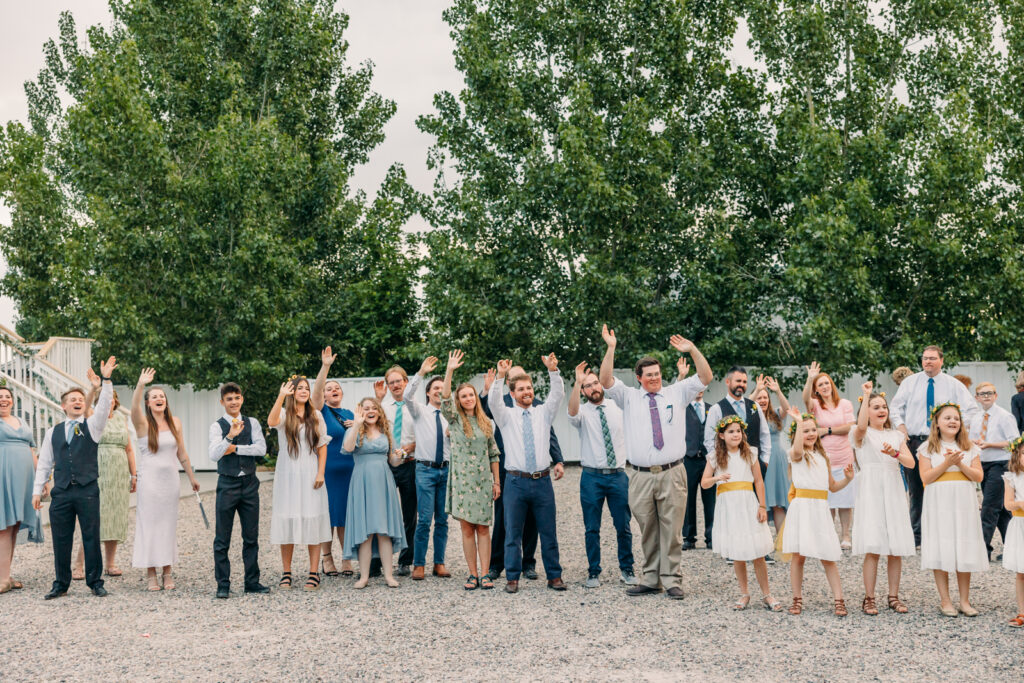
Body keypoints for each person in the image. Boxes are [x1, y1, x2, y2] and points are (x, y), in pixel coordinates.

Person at [599, 325, 713, 600]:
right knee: (647, 528)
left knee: (672, 529)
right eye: (649, 375)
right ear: (639, 378)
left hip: (672, 472)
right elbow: (604, 381)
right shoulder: (629, 396)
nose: (654, 379)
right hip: (639, 476)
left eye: (657, 374)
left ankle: (672, 579)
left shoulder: (677, 392)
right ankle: (650, 579)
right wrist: (611, 347)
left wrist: (692, 349)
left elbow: (706, 376)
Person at [32, 356, 117, 599]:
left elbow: (103, 407)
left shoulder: (93, 425)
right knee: (61, 539)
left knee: (91, 536)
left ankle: (95, 581)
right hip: (61, 492)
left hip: (87, 489)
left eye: (80, 399)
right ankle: (61, 583)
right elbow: (45, 463)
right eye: (72, 400)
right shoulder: (53, 432)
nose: (77, 402)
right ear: (64, 406)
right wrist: (37, 491)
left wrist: (106, 381)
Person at [487, 354, 566, 593]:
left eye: (529, 388)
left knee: (548, 531)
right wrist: (500, 377)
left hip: (542, 481)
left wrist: (554, 371)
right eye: (521, 389)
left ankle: (554, 576)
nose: (526, 392)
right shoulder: (506, 417)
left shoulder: (543, 413)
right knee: (512, 531)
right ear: (512, 393)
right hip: (515, 481)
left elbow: (557, 396)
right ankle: (512, 577)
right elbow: (493, 403)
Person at [889, 345, 980, 546]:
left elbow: (972, 409)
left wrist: (954, 429)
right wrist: (901, 428)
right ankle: (918, 535)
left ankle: (942, 531)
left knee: (941, 483)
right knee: (916, 488)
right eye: (924, 358)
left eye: (932, 358)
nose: (927, 361)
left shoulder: (953, 384)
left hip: (942, 441)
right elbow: (895, 408)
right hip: (915, 440)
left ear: (941, 360)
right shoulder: (910, 383)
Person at [700, 416, 781, 611]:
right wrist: (717, 477)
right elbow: (704, 483)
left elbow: (759, 481)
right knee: (737, 552)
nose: (736, 434)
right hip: (729, 505)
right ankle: (744, 593)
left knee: (758, 551)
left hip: (747, 503)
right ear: (721, 435)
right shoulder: (714, 457)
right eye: (731, 431)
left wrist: (762, 506)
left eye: (738, 431)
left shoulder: (750, 453)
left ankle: (767, 594)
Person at [568, 361, 637, 588]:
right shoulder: (582, 411)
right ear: (584, 390)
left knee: (623, 525)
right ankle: (593, 572)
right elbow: (571, 412)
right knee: (591, 527)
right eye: (588, 386)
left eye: (595, 383)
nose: (593, 388)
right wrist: (577, 384)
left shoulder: (618, 407)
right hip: (592, 477)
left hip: (618, 475)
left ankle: (627, 569)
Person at [131, 368, 201, 591]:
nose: (159, 399)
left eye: (162, 396)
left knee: (167, 526)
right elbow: (133, 410)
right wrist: (141, 385)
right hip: (149, 482)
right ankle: (151, 573)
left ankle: (167, 571)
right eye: (154, 397)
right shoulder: (143, 423)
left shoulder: (175, 422)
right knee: (150, 526)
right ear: (148, 403)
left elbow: (182, 453)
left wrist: (192, 478)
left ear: (166, 401)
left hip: (170, 482)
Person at [849, 381, 916, 616]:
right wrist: (866, 394)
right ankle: (869, 597)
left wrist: (895, 453)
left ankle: (893, 596)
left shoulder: (896, 435)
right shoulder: (861, 433)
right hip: (871, 488)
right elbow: (859, 426)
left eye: (883, 406)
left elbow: (910, 462)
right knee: (873, 546)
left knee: (895, 546)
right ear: (866, 411)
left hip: (893, 486)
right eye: (875, 406)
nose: (881, 410)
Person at [782, 407, 855, 617]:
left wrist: (848, 480)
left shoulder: (824, 458)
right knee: (798, 556)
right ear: (797, 434)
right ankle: (797, 599)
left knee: (828, 555)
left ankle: (839, 600)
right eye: (805, 431)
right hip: (802, 507)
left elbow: (832, 487)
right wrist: (797, 421)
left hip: (820, 509)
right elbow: (796, 451)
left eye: (813, 430)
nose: (811, 434)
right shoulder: (795, 455)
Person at [918, 402, 987, 617]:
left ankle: (965, 601)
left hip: (963, 502)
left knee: (963, 546)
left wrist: (961, 464)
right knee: (942, 544)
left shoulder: (969, 448)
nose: (952, 421)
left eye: (956, 418)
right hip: (939, 501)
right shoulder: (927, 448)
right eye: (947, 418)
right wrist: (947, 463)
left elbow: (978, 477)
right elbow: (926, 478)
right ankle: (945, 600)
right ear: (937, 423)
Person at [439, 350, 501, 589]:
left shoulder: (486, 423)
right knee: (467, 529)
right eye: (463, 396)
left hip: (484, 481)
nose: (468, 399)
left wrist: (497, 482)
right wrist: (449, 370)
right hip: (462, 482)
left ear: (476, 397)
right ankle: (472, 573)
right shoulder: (454, 421)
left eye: (470, 395)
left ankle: (485, 574)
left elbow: (494, 454)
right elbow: (445, 398)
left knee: (483, 528)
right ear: (459, 400)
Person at [268, 376, 331, 592]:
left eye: (306, 388)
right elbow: (271, 421)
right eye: (300, 388)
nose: (304, 391)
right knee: (288, 520)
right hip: (288, 474)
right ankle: (287, 572)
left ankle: (314, 573)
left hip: (310, 472)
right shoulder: (285, 415)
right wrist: (280, 396)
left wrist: (321, 473)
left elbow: (322, 446)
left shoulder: (316, 416)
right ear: (293, 392)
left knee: (312, 519)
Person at [72, 369, 136, 580]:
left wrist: (133, 475)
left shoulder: (120, 418)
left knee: (115, 517)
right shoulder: (93, 417)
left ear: (116, 402)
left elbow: (128, 448)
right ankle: (79, 564)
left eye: (112, 400)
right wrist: (94, 388)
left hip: (118, 473)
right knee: (95, 517)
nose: (109, 403)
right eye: (106, 400)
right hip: (99, 471)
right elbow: (86, 406)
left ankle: (110, 563)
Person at [209, 382, 269, 599]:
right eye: (229, 399)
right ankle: (223, 584)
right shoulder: (217, 426)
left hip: (250, 484)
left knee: (251, 536)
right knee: (222, 538)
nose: (233, 402)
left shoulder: (252, 422)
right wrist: (230, 438)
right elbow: (214, 454)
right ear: (222, 402)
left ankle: (252, 581)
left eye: (236, 398)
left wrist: (235, 449)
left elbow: (261, 449)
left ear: (242, 399)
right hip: (227, 483)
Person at [341, 397, 408, 589]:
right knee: (365, 531)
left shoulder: (386, 433)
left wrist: (400, 456)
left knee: (384, 530)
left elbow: (393, 461)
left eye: (373, 408)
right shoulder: (353, 431)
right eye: (366, 408)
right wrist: (356, 425)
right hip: (362, 482)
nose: (370, 411)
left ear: (379, 411)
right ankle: (363, 577)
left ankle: (388, 575)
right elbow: (348, 448)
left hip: (383, 482)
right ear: (360, 412)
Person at [402, 356, 452, 580]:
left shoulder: (452, 416)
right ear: (429, 392)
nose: (439, 391)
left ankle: (439, 563)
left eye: (443, 388)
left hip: (446, 470)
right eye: (436, 388)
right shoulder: (419, 411)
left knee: (442, 519)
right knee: (423, 520)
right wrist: (421, 373)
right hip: (425, 470)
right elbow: (406, 395)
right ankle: (419, 563)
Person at [801, 361, 856, 549]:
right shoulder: (815, 405)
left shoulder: (845, 404)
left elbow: (850, 426)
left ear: (831, 385)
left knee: (846, 499)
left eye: (826, 383)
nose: (824, 387)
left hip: (844, 455)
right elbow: (805, 399)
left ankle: (846, 535)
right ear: (816, 390)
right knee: (829, 499)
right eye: (820, 385)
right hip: (825, 458)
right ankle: (829, 534)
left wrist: (828, 430)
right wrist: (810, 379)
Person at [311, 347, 356, 577]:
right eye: (330, 388)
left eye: (337, 387)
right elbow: (316, 393)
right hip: (328, 471)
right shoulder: (321, 411)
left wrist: (357, 425)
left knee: (346, 516)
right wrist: (325, 367)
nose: (333, 390)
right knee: (328, 515)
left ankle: (347, 556)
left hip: (350, 472)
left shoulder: (351, 412)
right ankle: (327, 558)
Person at [969, 382, 1021, 561]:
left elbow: (1014, 442)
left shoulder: (1005, 416)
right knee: (1003, 511)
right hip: (982, 464)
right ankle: (1015, 548)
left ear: (996, 395)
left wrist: (991, 444)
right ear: (976, 398)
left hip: (1000, 464)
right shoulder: (976, 418)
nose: (986, 396)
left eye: (989, 393)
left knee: (989, 507)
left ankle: (982, 551)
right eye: (982, 394)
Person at [1, 385, 44, 594]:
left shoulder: (22, 421)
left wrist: (42, 478)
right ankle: (2, 578)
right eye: (0, 397)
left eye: (7, 396)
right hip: (3, 478)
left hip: (25, 479)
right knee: (4, 526)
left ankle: (5, 574)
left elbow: (31, 449)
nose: (4, 399)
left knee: (15, 525)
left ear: (12, 400)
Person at [374, 366, 417, 577]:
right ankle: (376, 561)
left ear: (406, 382)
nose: (396, 385)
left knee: (410, 515)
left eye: (399, 381)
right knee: (381, 513)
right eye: (391, 382)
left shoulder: (415, 406)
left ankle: (405, 560)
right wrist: (378, 399)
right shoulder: (382, 406)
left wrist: (412, 447)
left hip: (410, 463)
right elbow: (373, 429)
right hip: (387, 464)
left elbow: (426, 435)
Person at [703, 367, 772, 482]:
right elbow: (709, 441)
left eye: (744, 382)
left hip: (755, 467)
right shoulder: (716, 409)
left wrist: (765, 461)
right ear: (728, 382)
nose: (742, 384)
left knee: (755, 499)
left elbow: (765, 435)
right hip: (728, 468)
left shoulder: (755, 406)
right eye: (738, 381)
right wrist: (718, 465)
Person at [755, 376, 791, 537]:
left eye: (765, 397)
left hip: (777, 459)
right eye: (759, 397)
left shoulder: (775, 414)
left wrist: (777, 391)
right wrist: (756, 389)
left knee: (778, 501)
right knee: (762, 500)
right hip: (760, 459)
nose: (762, 400)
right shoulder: (751, 415)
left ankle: (781, 541)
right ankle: (761, 539)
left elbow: (787, 408)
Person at [682, 382, 714, 551]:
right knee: (688, 499)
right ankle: (689, 537)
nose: (698, 390)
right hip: (689, 458)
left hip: (708, 459)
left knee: (711, 499)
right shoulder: (684, 408)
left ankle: (711, 536)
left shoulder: (712, 408)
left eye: (701, 387)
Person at [1002, 435, 1024, 627]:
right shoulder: (1012, 478)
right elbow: (1007, 504)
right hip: (1020, 524)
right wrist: (1019, 504)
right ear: (1017, 455)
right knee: (1021, 572)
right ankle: (1022, 611)